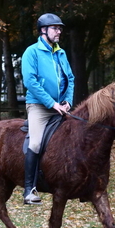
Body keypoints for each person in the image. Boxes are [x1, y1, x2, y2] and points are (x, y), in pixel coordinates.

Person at [20, 13, 75, 204]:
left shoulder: (61, 53)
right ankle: (29, 190)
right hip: (39, 107)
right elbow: (30, 82)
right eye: (55, 28)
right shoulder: (32, 52)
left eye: (60, 28)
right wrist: (52, 104)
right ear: (43, 30)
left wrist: (68, 101)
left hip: (61, 106)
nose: (59, 31)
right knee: (35, 143)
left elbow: (71, 78)